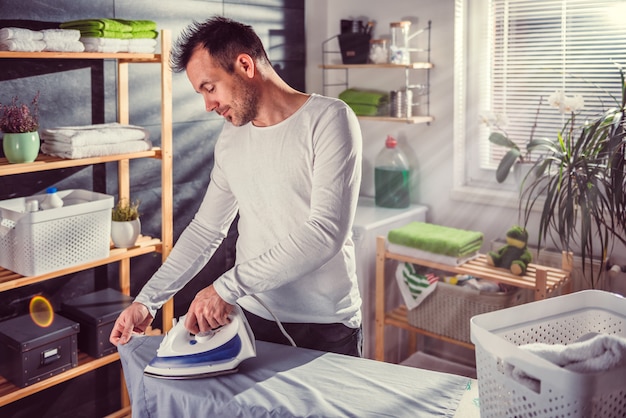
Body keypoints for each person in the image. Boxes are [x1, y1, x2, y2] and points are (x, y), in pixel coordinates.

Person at [109, 16, 363, 357]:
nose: (208, 105)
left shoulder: (329, 119)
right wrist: (147, 301)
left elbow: (324, 232)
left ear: (245, 65)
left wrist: (226, 286)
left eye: (209, 87)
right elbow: (206, 229)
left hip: (327, 326)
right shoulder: (232, 138)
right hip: (254, 317)